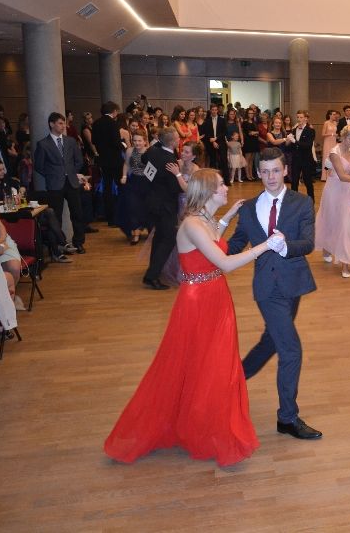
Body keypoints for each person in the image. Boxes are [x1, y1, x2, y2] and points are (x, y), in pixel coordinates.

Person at [104, 170, 283, 467]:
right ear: (209, 191)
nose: (226, 188)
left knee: (213, 363)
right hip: (198, 302)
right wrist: (265, 246)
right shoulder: (191, 224)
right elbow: (224, 262)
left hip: (215, 296)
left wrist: (228, 217)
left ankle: (206, 422)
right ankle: (203, 426)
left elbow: (214, 240)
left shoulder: (205, 220)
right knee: (201, 363)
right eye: (221, 185)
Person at [227, 148, 320, 440]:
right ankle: (287, 418)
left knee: (271, 341)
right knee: (290, 350)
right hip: (267, 289)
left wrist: (286, 246)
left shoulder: (302, 202)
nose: (271, 177)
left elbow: (308, 243)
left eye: (276, 170)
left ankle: (230, 382)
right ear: (257, 172)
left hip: (293, 284)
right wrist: (206, 238)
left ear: (285, 170)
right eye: (265, 171)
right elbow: (234, 245)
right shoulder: (248, 207)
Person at [315, 125, 350, 278]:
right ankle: (327, 248)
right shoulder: (335, 152)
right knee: (331, 220)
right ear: (343, 137)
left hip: (347, 191)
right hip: (334, 189)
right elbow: (342, 176)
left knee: (346, 224)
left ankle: (345, 264)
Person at [33, 111, 88, 254]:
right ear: (52, 124)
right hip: (54, 184)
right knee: (56, 216)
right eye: (60, 123)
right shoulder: (43, 144)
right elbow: (38, 165)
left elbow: (79, 160)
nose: (63, 126)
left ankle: (79, 242)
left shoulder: (70, 141)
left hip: (72, 182)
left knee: (77, 213)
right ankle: (59, 245)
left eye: (64, 123)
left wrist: (72, 172)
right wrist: (51, 175)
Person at [142, 128, 182, 290]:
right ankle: (151, 276)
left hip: (152, 201)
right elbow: (175, 188)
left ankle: (153, 272)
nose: (179, 139)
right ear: (172, 142)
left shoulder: (153, 151)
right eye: (177, 138)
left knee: (159, 237)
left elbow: (144, 159)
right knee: (168, 239)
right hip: (165, 206)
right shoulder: (170, 160)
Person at [91, 101, 123, 226]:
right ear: (114, 111)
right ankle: (121, 215)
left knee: (107, 189)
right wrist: (123, 145)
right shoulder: (113, 123)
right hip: (115, 160)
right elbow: (116, 142)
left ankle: (110, 218)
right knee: (121, 187)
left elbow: (94, 141)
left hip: (103, 160)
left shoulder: (96, 123)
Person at [117, 132, 152, 245]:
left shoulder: (150, 152)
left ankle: (150, 232)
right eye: (135, 140)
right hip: (134, 182)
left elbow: (153, 169)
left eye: (139, 140)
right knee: (133, 208)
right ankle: (136, 234)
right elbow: (126, 164)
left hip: (147, 183)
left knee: (147, 208)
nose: (137, 143)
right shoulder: (129, 151)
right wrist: (124, 176)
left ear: (145, 141)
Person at [289, 110, 315, 199]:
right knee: (294, 181)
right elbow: (292, 146)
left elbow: (308, 145)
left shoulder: (310, 130)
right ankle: (293, 200)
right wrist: (288, 141)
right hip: (296, 159)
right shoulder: (294, 130)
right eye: (298, 117)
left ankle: (311, 200)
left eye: (301, 117)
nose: (299, 119)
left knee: (308, 181)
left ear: (305, 118)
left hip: (306, 159)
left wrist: (295, 141)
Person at [320, 111, 338, 182]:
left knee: (333, 157)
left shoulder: (335, 123)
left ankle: (332, 175)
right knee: (326, 158)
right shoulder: (326, 123)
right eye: (333, 114)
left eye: (335, 114)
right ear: (329, 115)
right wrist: (332, 134)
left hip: (333, 142)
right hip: (327, 142)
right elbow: (323, 134)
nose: (335, 116)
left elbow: (336, 133)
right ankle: (325, 176)